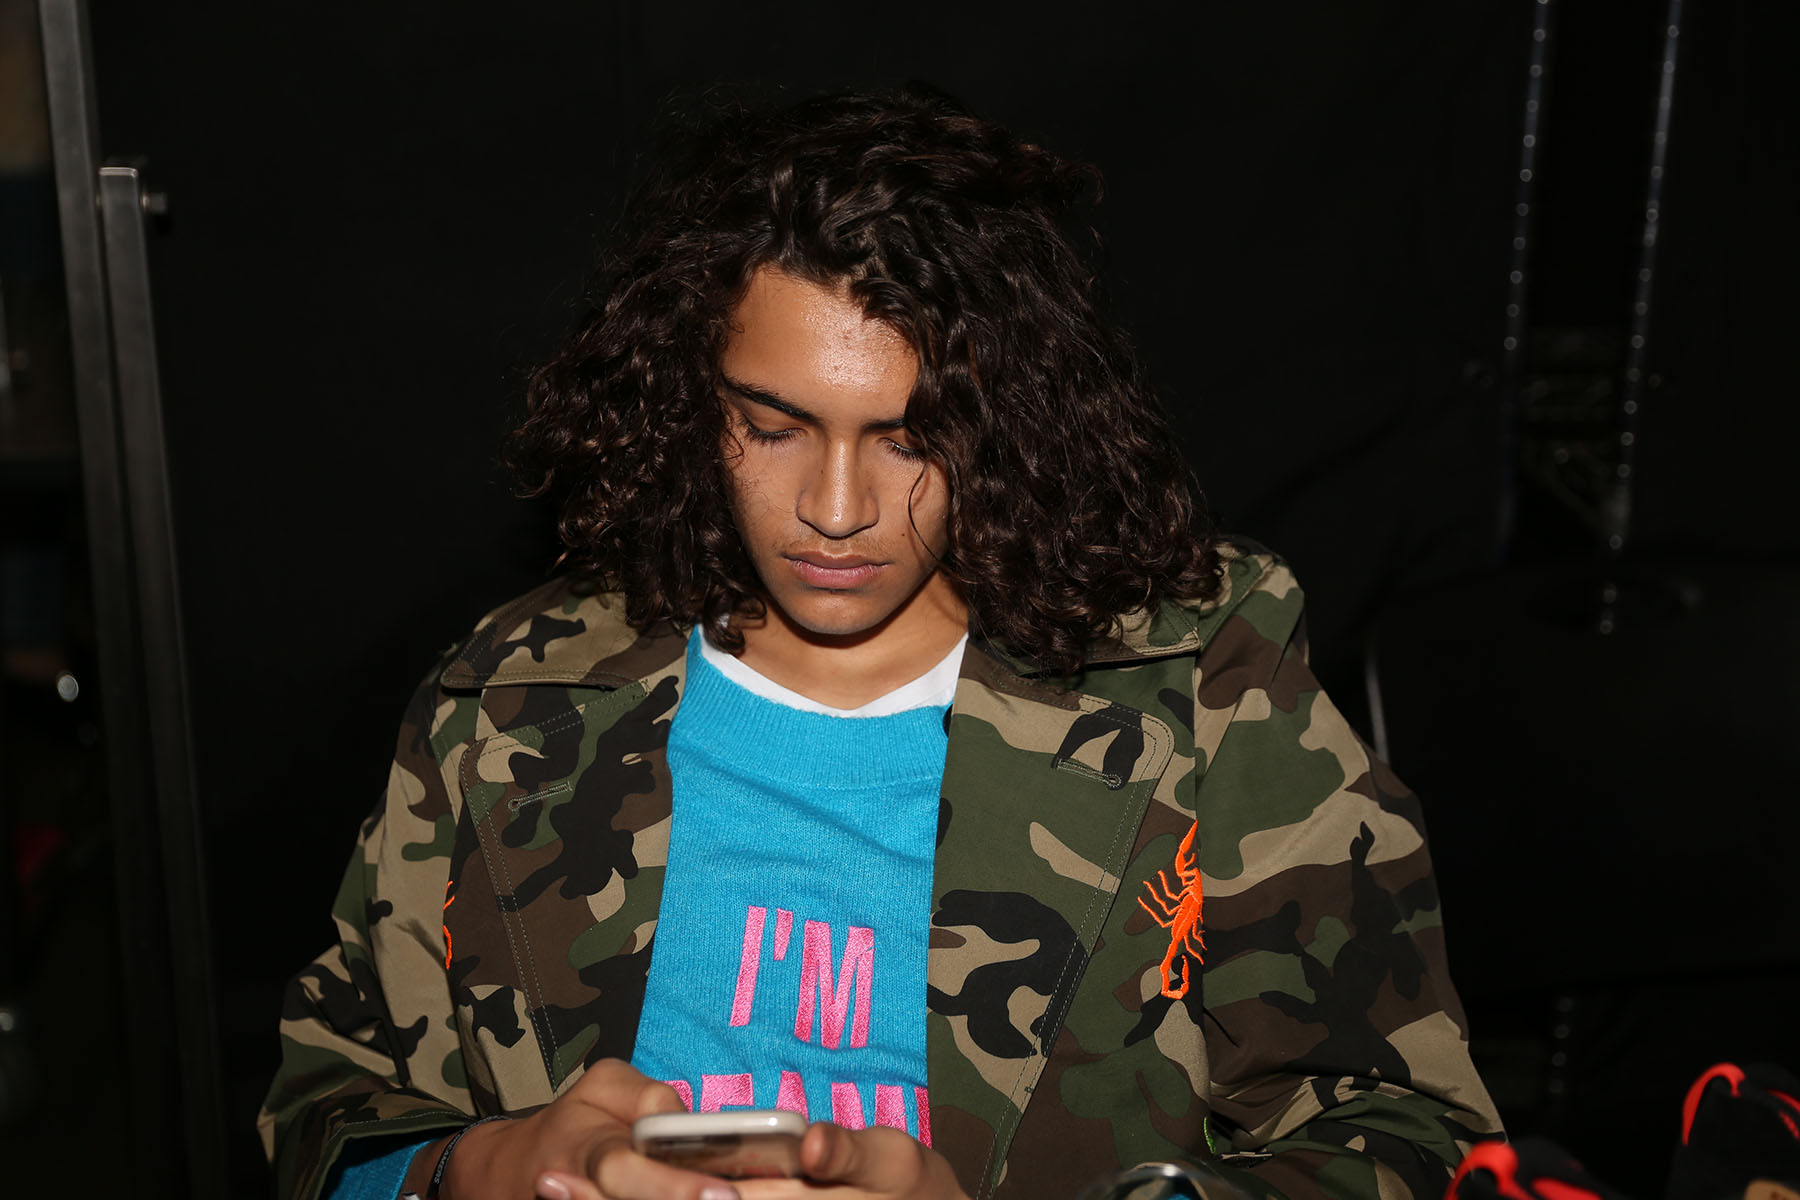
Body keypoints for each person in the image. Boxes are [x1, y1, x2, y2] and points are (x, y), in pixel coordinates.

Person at [258, 86, 1502, 1200]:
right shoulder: (510, 696)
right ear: (686, 399)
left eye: (911, 438)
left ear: (1007, 419)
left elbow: (1405, 1137)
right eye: (773, 426)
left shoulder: (1202, 686)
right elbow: (326, 1110)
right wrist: (470, 1171)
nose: (837, 509)